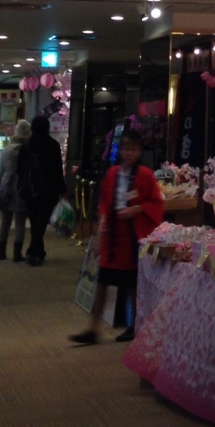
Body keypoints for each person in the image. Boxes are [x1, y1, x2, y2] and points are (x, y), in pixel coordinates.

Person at [70, 130, 164, 345]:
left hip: (132, 236)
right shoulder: (113, 173)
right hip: (113, 237)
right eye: (126, 149)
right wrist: (103, 217)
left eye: (133, 149)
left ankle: (135, 326)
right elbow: (105, 200)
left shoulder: (146, 175)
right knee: (102, 283)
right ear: (120, 151)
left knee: (132, 286)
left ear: (139, 152)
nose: (129, 153)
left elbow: (157, 203)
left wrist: (136, 209)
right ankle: (93, 328)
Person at [17, 115, 67, 266]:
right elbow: (57, 170)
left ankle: (37, 252)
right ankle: (34, 252)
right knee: (42, 222)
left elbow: (19, 169)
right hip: (48, 189)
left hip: (30, 189)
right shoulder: (53, 145)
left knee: (34, 221)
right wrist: (62, 189)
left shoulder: (26, 146)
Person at [0, 119, 31, 262]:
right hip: (21, 186)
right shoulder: (27, 150)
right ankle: (17, 253)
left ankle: (1, 252)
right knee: (20, 222)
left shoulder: (7, 149)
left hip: (6, 185)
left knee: (5, 221)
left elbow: (0, 170)